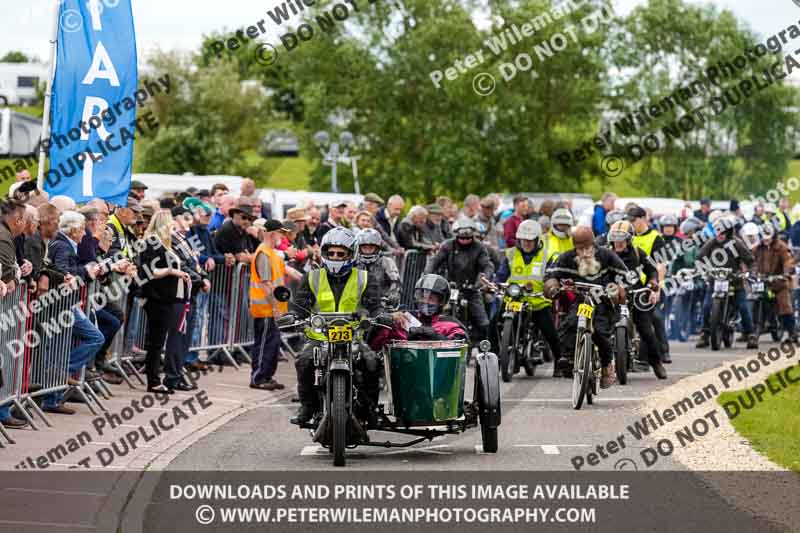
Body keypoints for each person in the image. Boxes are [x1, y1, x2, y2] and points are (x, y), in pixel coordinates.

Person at [288, 227, 382, 425]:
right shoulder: (312, 277)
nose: (335, 257)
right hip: (320, 338)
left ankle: (369, 408)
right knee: (304, 360)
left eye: (341, 254)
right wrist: (293, 317)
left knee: (372, 362)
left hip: (354, 337)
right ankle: (307, 406)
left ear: (351, 254)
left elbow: (375, 306)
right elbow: (300, 305)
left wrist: (380, 316)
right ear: (323, 253)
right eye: (331, 253)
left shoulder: (365, 278)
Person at [544, 226, 628, 388]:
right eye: (580, 248)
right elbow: (551, 274)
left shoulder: (607, 256)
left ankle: (606, 366)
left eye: (588, 247)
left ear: (594, 244)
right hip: (582, 301)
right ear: (575, 247)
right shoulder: (566, 258)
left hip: (605, 302)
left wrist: (619, 289)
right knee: (569, 324)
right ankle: (568, 358)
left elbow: (627, 275)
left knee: (600, 332)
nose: (584, 252)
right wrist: (553, 286)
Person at [43, 211, 106, 414]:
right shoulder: (62, 245)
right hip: (61, 305)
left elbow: (70, 271)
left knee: (63, 347)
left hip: (67, 304)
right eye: (82, 230)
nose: (84, 235)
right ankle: (58, 384)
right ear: (75, 229)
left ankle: (56, 389)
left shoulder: (64, 244)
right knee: (92, 338)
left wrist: (87, 272)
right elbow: (63, 272)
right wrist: (85, 272)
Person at [494, 220, 562, 374]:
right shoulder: (511, 254)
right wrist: (494, 284)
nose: (526, 243)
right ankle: (496, 357)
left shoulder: (547, 255)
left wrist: (552, 287)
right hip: (513, 300)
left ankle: (559, 361)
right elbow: (501, 274)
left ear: (537, 239)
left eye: (530, 240)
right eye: (523, 239)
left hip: (537, 301)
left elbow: (552, 275)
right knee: (493, 324)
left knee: (550, 332)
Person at [139, 210, 193, 394]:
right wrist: (171, 271)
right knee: (155, 342)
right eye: (170, 223)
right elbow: (147, 271)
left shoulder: (164, 244)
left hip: (167, 297)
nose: (173, 227)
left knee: (159, 341)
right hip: (157, 297)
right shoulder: (151, 244)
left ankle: (155, 379)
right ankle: (153, 381)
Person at [605, 221, 667, 379]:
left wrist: (653, 282)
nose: (618, 242)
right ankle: (597, 362)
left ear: (629, 239)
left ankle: (657, 363)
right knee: (598, 326)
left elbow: (652, 270)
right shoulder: (604, 254)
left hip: (635, 294)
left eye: (621, 239)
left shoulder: (638, 253)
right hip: (610, 296)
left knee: (647, 330)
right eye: (615, 238)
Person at [250, 219, 301, 390]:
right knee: (264, 344)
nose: (282, 236)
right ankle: (258, 378)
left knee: (272, 344)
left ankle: (267, 376)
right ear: (273, 234)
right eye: (281, 233)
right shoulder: (264, 253)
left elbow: (282, 274)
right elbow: (266, 284)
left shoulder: (271, 252)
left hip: (272, 309)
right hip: (265, 309)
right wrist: (274, 307)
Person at [425, 218, 494, 345]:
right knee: (431, 313)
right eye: (462, 237)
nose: (465, 240)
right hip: (449, 288)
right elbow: (434, 261)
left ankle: (485, 348)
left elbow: (487, 265)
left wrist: (484, 278)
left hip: (471, 289)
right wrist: (427, 275)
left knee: (483, 322)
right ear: (456, 235)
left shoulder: (479, 247)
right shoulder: (447, 245)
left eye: (468, 238)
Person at [695, 215, 757, 349]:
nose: (720, 234)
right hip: (714, 280)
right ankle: (705, 334)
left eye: (723, 232)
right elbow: (699, 258)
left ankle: (751, 335)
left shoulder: (736, 243)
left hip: (735, 281)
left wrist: (749, 273)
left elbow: (751, 261)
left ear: (729, 232)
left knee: (743, 307)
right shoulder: (711, 243)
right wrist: (703, 271)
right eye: (718, 231)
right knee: (706, 307)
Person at [370, 274, 467, 351]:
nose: (426, 301)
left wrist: (433, 335)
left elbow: (460, 351)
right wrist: (386, 319)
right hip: (404, 369)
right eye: (422, 296)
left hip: (438, 372)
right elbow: (374, 345)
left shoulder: (451, 325)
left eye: (431, 298)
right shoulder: (404, 318)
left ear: (442, 301)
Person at [629, 206, 671, 363]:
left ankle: (664, 350)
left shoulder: (655, 238)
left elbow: (661, 265)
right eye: (629, 220)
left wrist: (656, 289)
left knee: (655, 317)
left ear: (642, 218)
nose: (631, 223)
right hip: (630, 284)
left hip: (649, 284)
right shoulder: (629, 237)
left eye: (633, 220)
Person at [753, 222, 797, 342]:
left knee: (785, 305)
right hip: (763, 282)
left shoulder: (781, 246)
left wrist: (786, 272)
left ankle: (792, 334)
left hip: (779, 283)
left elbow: (788, 261)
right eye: (764, 238)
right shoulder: (757, 247)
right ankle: (754, 332)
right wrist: (748, 272)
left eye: (768, 238)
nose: (766, 240)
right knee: (756, 301)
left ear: (773, 236)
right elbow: (750, 260)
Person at [355, 228, 400, 307]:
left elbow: (395, 282)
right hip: (356, 304)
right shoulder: (353, 263)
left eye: (371, 248)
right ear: (358, 248)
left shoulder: (387, 262)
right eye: (365, 248)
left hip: (380, 304)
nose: (368, 251)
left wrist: (393, 294)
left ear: (377, 248)